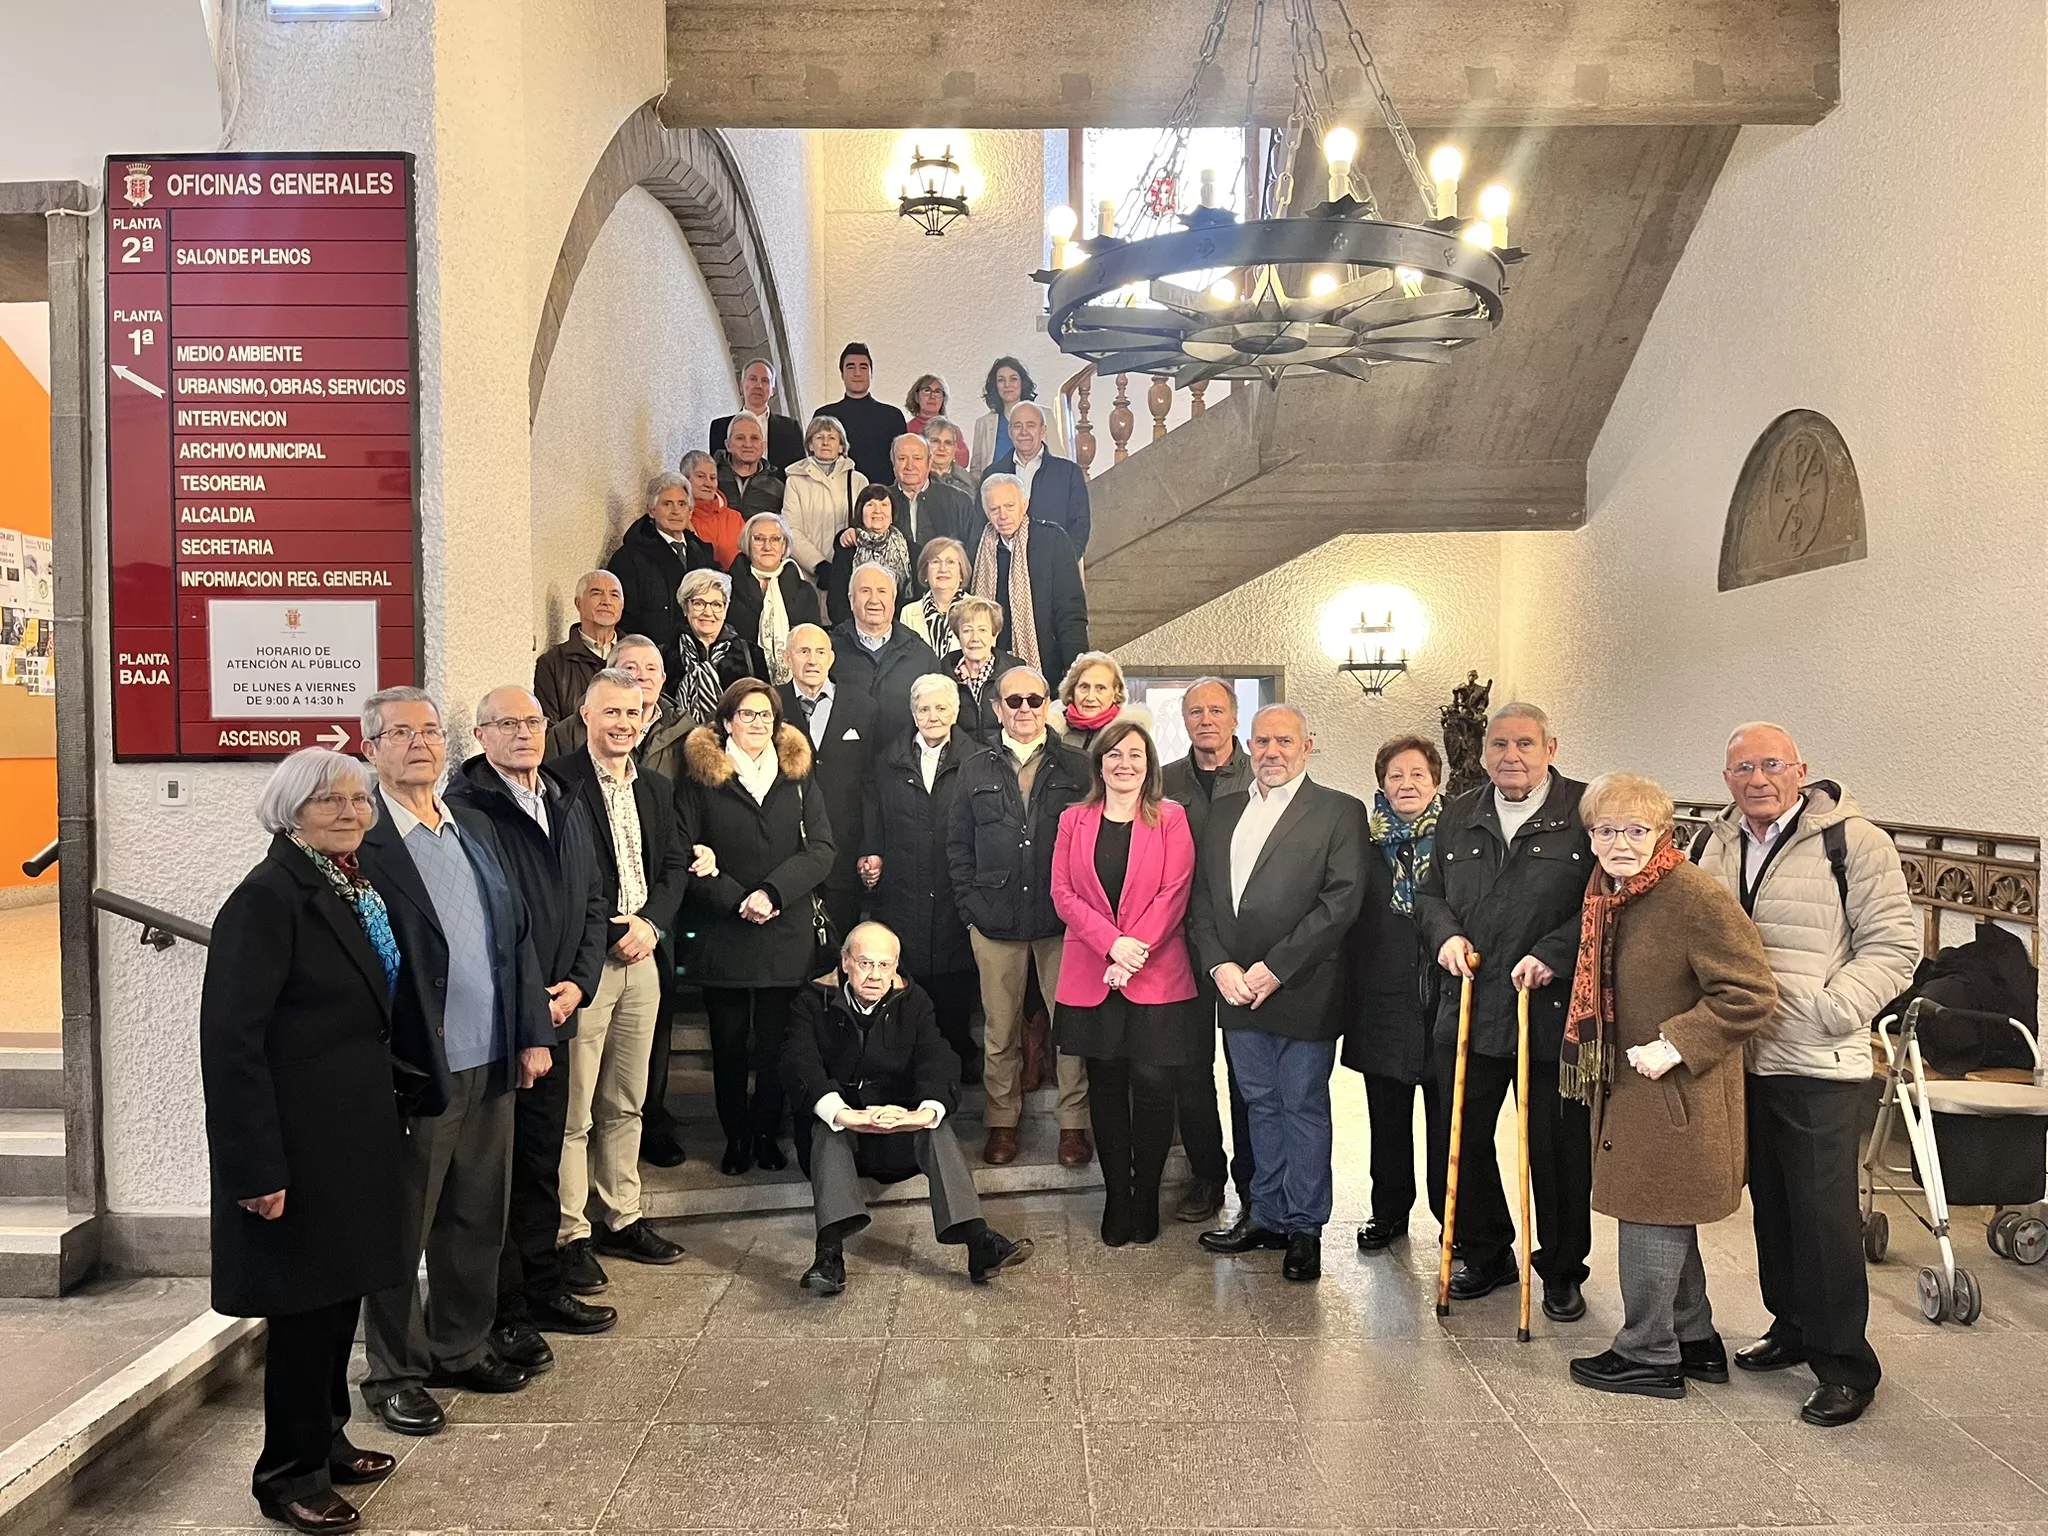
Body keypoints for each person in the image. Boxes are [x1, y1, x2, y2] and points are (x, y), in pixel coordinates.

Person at [201, 749, 408, 1535]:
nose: (352, 811)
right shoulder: (267, 898)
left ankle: (326, 1436)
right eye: (331, 801)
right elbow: (232, 1044)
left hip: (351, 1134)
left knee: (338, 1294)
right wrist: (256, 1166)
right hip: (296, 1143)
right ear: (291, 810)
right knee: (301, 1311)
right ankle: (286, 1474)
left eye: (361, 799)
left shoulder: (348, 883)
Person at [1692, 722, 1918, 1427]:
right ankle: (1790, 1325)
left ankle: (1845, 1363)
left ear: (1800, 771)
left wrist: (1834, 1008)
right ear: (1726, 779)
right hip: (1741, 1055)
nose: (1756, 779)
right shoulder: (1714, 841)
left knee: (1824, 1217)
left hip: (1819, 1057)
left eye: (1770, 765)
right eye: (1742, 769)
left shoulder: (1855, 842)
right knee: (1774, 1202)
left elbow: (1895, 944)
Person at [353, 688, 555, 1434]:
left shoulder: (467, 824)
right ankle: (395, 1372)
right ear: (369, 747)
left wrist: (532, 1034)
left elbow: (517, 936)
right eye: (400, 733)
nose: (419, 744)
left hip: (492, 1058)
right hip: (419, 1071)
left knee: (476, 1217)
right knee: (404, 1227)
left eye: (430, 731)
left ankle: (459, 1345)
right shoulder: (365, 838)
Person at [1562, 773, 1778, 1401]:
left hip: (1676, 1089)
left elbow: (1752, 993)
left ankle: (1648, 1354)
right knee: (1659, 1208)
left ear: (1663, 833)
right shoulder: (1610, 892)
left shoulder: (1691, 895)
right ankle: (1695, 1339)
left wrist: (1677, 1043)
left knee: (1650, 1211)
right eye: (1606, 830)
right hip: (1633, 1084)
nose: (1619, 843)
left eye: (1636, 830)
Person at [444, 688, 616, 1378]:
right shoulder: (466, 809)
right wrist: (528, 1009)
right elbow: (480, 922)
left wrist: (579, 984)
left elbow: (594, 898)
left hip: (560, 1011)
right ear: (482, 734)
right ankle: (506, 1310)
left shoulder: (562, 795)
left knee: (542, 1159)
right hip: (504, 1024)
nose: (523, 733)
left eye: (533, 721)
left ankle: (543, 1289)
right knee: (500, 1175)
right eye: (507, 723)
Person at [1415, 702, 1595, 1320]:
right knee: (1455, 1136)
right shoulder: (1460, 813)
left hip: (1546, 1010)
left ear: (1551, 745)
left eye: (1524, 744)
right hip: (1466, 1002)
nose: (1509, 756)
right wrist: (1444, 937)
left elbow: (1603, 903)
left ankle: (1564, 1267)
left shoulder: (1582, 812)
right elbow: (1430, 893)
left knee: (1555, 1146)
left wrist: (1553, 953)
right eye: (1499, 744)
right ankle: (1487, 1251)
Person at [1190, 704, 1368, 1283]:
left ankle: (1305, 1228)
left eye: (1283, 741)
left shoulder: (1339, 811)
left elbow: (1340, 903)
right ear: (1249, 745)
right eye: (1262, 741)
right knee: (1257, 1104)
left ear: (1307, 746)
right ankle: (1264, 1214)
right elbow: (1203, 901)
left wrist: (1275, 969)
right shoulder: (1223, 812)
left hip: (1302, 987)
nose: (1271, 752)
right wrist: (1219, 966)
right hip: (1236, 990)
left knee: (1302, 1106)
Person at [543, 670, 695, 1293]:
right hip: (589, 964)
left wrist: (653, 925)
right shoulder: (561, 786)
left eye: (634, 714)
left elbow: (673, 864)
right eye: (611, 713)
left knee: (627, 1100)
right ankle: (569, 1232)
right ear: (585, 714)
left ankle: (621, 1215)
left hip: (645, 958)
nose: (624, 724)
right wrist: (611, 932)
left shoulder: (657, 788)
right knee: (575, 1107)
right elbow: (566, 880)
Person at [780, 922, 1034, 1293]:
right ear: (845, 963)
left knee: (937, 1127)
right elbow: (798, 1060)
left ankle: (980, 1244)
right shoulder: (811, 1001)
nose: (876, 975)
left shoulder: (914, 1001)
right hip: (844, 1133)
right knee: (826, 1128)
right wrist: (842, 1112)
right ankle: (829, 1255)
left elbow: (938, 1057)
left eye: (886, 965)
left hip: (895, 1130)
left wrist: (922, 1111)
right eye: (866, 963)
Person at [1051, 720, 1203, 1246]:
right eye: (1113, 754)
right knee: (1107, 1087)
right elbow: (1064, 893)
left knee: (1156, 1086)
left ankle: (1146, 1195)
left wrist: (1132, 952)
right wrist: (1111, 945)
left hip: (1157, 973)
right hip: (1093, 968)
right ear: (1098, 764)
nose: (1124, 763)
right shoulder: (1074, 819)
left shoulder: (1172, 818)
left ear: (1150, 763)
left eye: (1135, 754)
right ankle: (1118, 1194)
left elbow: (1175, 891)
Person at [675, 680, 837, 1175]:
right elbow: (681, 850)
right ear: (726, 721)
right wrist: (735, 898)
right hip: (724, 931)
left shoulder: (799, 775)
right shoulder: (700, 779)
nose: (758, 723)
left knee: (774, 1045)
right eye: (747, 714)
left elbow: (822, 850)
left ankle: (766, 1133)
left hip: (782, 929)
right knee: (727, 1044)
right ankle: (736, 1136)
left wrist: (770, 893)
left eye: (766, 715)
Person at [948, 665, 1094, 1167]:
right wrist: (970, 910)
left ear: (1048, 703)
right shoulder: (974, 768)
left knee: (1071, 1028)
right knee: (1000, 1029)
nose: (1026, 709)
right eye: (1015, 701)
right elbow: (958, 847)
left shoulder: (1078, 768)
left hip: (1063, 920)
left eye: (1035, 699)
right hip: (995, 920)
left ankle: (1073, 1126)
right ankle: (1002, 1123)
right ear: (997, 709)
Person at [1343, 735, 1448, 1254]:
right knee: (1386, 1119)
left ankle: (1455, 1218)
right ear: (1381, 784)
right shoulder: (1363, 845)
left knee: (1449, 1123)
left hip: (1446, 1002)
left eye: (1418, 775)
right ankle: (1389, 1212)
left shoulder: (1456, 840)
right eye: (1395, 776)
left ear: (1436, 781)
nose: (1406, 785)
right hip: (1381, 999)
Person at [1160, 678, 1253, 1228]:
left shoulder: (1260, 775)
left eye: (1216, 710)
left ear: (1234, 717)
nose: (1206, 720)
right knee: (1191, 1073)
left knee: (1247, 1075)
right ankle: (1206, 1175)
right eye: (1195, 711)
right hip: (1182, 949)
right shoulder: (1165, 781)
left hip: (1244, 952)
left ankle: (1253, 1181)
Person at [860, 672, 980, 1076]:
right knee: (908, 984)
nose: (932, 716)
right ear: (913, 712)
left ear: (956, 711)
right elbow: (873, 817)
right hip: (903, 891)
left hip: (954, 891)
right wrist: (871, 854)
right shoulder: (888, 761)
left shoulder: (978, 760)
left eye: (940, 707)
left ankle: (956, 1069)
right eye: (924, 708)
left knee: (955, 988)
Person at [779, 623, 878, 944]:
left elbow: (873, 784)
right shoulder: (770, 705)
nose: (812, 660)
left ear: (831, 658)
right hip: (785, 856)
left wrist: (870, 846)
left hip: (843, 855)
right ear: (787, 658)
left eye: (820, 652)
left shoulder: (863, 706)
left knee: (841, 953)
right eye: (803, 651)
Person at [968, 473, 1088, 690]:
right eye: (995, 509)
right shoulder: (978, 546)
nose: (1003, 515)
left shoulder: (1052, 540)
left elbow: (1071, 612)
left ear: (1025, 504)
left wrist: (1077, 672)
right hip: (991, 670)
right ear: (986, 512)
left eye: (1009, 506)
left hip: (1046, 667)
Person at [543, 635, 691, 793]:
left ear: (662, 679)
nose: (642, 676)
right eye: (630, 668)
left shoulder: (686, 733)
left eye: (651, 668)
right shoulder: (565, 734)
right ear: (608, 675)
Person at [829, 560, 940, 747]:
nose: (874, 600)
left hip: (903, 765)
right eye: (865, 591)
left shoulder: (921, 655)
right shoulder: (829, 652)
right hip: (845, 765)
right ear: (851, 600)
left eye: (882, 591)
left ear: (893, 599)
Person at [607, 471, 713, 661]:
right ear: (652, 510)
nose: (675, 511)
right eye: (667, 504)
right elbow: (626, 620)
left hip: (699, 659)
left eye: (682, 504)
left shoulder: (703, 553)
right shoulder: (629, 558)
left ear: (690, 511)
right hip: (653, 661)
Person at [727, 512, 822, 688]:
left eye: (775, 539)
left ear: (784, 544)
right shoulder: (728, 588)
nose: (767, 546)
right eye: (759, 539)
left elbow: (814, 643)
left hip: (794, 686)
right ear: (747, 543)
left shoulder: (805, 591)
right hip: (741, 682)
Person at [987, 401, 1090, 555]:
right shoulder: (992, 474)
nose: (1023, 432)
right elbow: (983, 526)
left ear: (1043, 431)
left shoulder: (1068, 473)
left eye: (1030, 425)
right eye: (1017, 426)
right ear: (1010, 431)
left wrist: (1065, 562)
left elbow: (1080, 525)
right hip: (1004, 569)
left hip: (1054, 568)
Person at [781, 414, 868, 594]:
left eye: (832, 438)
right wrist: (818, 565)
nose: (825, 443)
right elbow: (791, 528)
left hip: (848, 572)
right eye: (819, 437)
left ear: (841, 446)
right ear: (810, 445)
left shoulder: (857, 481)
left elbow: (865, 527)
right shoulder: (795, 481)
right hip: (807, 574)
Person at [533, 570, 623, 724]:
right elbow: (549, 729)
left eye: (614, 595)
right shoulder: (552, 663)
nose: (607, 601)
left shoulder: (639, 657)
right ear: (578, 603)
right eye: (597, 593)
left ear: (622, 605)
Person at [673, 569, 760, 724]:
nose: (708, 612)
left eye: (716, 604)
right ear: (686, 608)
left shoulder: (751, 654)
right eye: (699, 603)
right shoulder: (665, 655)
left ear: (725, 610)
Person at [939, 593, 1021, 746]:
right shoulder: (943, 675)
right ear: (958, 636)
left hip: (1003, 761)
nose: (975, 638)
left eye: (982, 630)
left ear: (994, 635)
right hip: (961, 764)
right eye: (967, 630)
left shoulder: (1015, 673)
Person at [823, 341, 909, 485]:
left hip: (881, 499)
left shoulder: (892, 417)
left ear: (871, 373)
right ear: (842, 374)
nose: (857, 373)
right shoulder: (825, 416)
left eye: (863, 367)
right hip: (834, 495)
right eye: (851, 367)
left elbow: (901, 462)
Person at [826, 483, 912, 618]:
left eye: (884, 505)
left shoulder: (910, 550)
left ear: (892, 513)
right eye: (870, 504)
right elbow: (836, 602)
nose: (878, 510)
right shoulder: (847, 551)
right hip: (854, 630)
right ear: (861, 512)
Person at [888, 431, 973, 564]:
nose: (909, 466)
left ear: (929, 461)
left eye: (917, 458)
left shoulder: (958, 500)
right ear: (893, 464)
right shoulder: (880, 501)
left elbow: (970, 551)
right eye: (902, 458)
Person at [971, 355, 1069, 468]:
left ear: (1022, 383)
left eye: (1013, 379)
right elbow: (976, 470)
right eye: (1001, 380)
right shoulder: (983, 423)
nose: (1007, 385)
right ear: (995, 385)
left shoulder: (1045, 416)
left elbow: (1059, 460)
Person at [710, 358, 803, 469]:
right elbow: (715, 471)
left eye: (765, 381)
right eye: (753, 379)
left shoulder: (790, 428)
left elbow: (799, 471)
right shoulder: (720, 427)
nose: (758, 385)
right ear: (741, 386)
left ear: (773, 390)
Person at [1055, 651, 1139, 750]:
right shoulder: (1052, 732)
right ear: (1072, 690)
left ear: (1116, 691)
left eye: (1100, 688)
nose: (1090, 697)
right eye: (1084, 687)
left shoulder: (1131, 735)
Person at [715, 411, 787, 526]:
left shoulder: (778, 489)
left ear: (764, 446)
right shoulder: (711, 479)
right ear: (728, 445)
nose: (748, 444)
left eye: (754, 438)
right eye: (740, 438)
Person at [903, 536, 969, 657]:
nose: (943, 569)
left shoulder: (979, 609)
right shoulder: (908, 613)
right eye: (935, 562)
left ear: (961, 572)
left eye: (950, 562)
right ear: (925, 573)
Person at [680, 448, 744, 571]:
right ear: (685, 480)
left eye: (713, 478)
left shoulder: (735, 518)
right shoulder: (678, 518)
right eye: (700, 476)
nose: (708, 483)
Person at [903, 373, 962, 464]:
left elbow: (963, 461)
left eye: (937, 392)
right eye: (927, 391)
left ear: (943, 399)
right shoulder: (906, 429)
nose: (932, 396)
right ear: (916, 397)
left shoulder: (953, 431)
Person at [923, 415, 975, 500]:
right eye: (935, 441)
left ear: (954, 448)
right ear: (924, 445)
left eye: (948, 443)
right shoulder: (914, 479)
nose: (942, 448)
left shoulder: (970, 482)